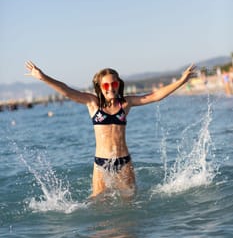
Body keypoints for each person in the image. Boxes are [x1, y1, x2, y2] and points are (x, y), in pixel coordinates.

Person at [25, 61, 195, 198]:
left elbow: (154, 96)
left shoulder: (125, 104)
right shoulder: (93, 103)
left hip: (124, 162)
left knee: (130, 202)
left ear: (118, 84)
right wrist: (43, 77)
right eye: (105, 85)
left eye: (113, 84)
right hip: (101, 164)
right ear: (99, 87)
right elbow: (67, 92)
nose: (110, 88)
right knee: (97, 203)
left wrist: (181, 81)